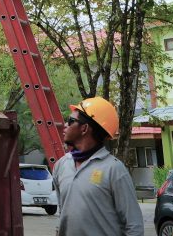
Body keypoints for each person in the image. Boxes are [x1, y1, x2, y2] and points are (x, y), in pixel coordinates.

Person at [53, 96, 144, 236]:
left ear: (84, 128)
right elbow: (63, 214)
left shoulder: (114, 169)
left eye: (71, 121)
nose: (65, 125)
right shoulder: (61, 165)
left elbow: (133, 225)